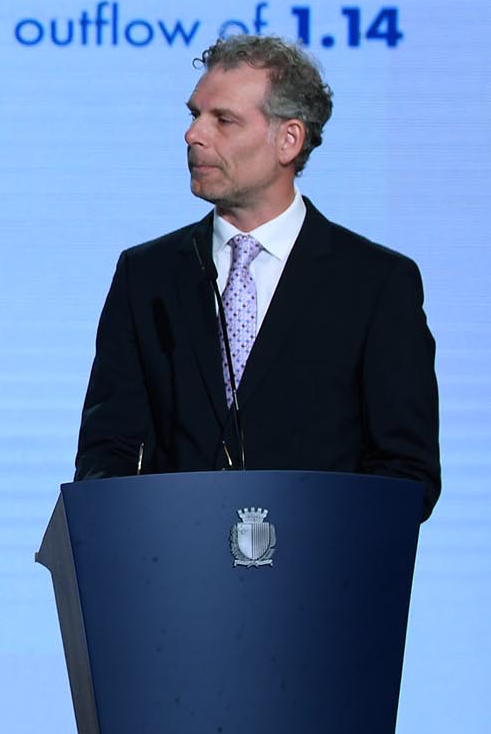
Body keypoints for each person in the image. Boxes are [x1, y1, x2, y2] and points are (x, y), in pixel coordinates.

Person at [75, 35, 440, 518]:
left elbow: (406, 471)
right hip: (172, 559)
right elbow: (106, 454)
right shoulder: (146, 277)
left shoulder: (376, 284)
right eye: (195, 115)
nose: (194, 135)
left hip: (317, 561)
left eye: (223, 120)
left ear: (289, 139)